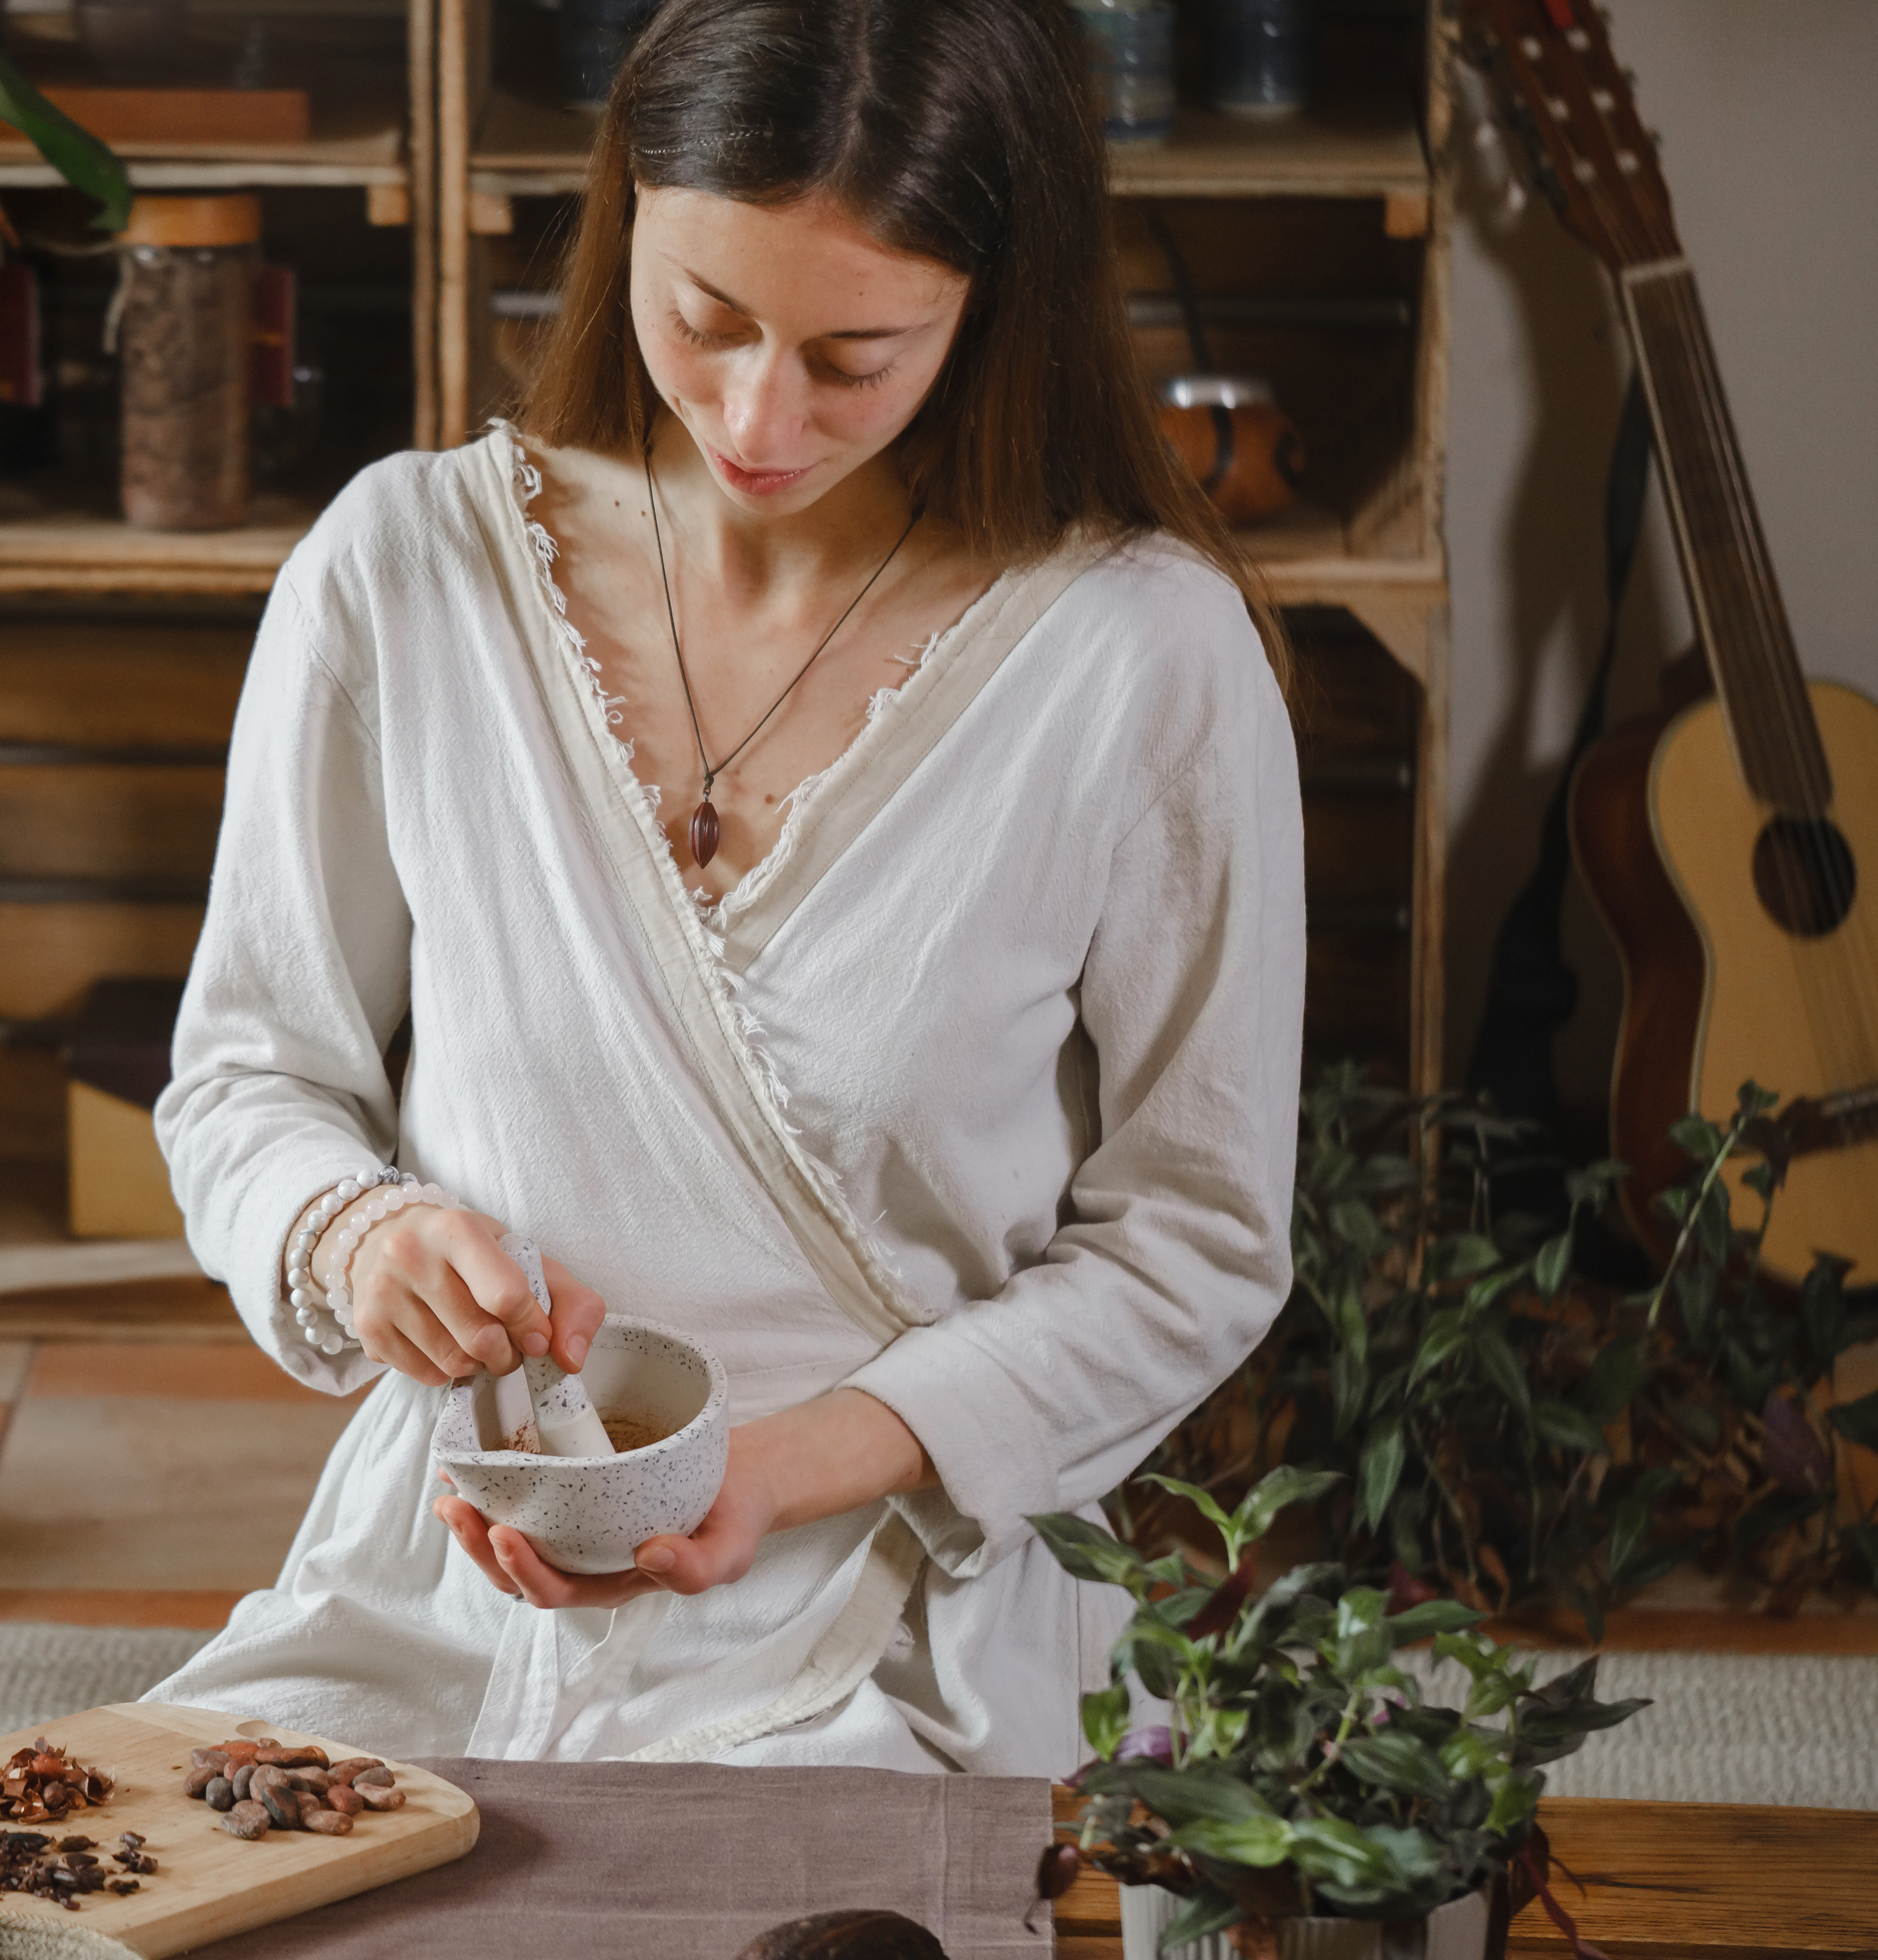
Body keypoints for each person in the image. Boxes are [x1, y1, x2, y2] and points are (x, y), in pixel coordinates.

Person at [144, 0, 1303, 1773]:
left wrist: (786, 1464)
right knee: (149, 1864)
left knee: (756, 1888)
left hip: (896, 1590)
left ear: (996, 307)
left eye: (856, 355)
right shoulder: (407, 568)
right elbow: (246, 1076)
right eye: (705, 319)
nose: (760, 415)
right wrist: (353, 1232)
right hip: (449, 1570)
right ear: (626, 218)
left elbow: (1198, 1237)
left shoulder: (1145, 656)